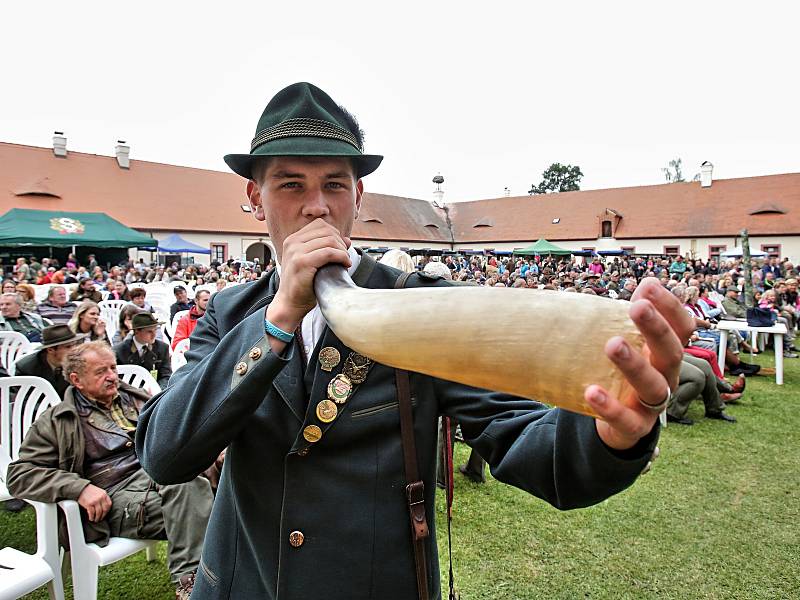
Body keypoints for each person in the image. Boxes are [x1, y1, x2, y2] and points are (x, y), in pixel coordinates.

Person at [136, 82, 689, 600]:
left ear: (358, 195)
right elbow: (166, 454)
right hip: (242, 583)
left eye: (333, 184)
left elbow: (524, 440)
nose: (316, 206)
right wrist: (279, 318)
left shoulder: (416, 304)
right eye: (290, 184)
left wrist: (609, 434)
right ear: (255, 199)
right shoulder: (231, 313)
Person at [6, 341, 211, 599]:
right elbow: (20, 474)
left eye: (113, 367)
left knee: (217, 485)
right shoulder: (60, 420)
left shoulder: (135, 398)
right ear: (76, 380)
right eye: (101, 371)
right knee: (194, 490)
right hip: (113, 495)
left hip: (156, 479)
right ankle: (190, 584)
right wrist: (79, 488)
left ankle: (223, 573)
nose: (112, 376)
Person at [14, 324, 87, 397]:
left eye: (75, 345)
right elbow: (23, 399)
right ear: (50, 350)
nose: (74, 350)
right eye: (68, 347)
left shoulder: (78, 362)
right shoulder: (26, 368)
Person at [113, 313, 171, 389]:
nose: (154, 335)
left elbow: (166, 376)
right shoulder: (119, 351)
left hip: (155, 393)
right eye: (149, 331)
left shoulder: (162, 348)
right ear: (137, 331)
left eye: (155, 330)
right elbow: (118, 379)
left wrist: (157, 391)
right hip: (131, 394)